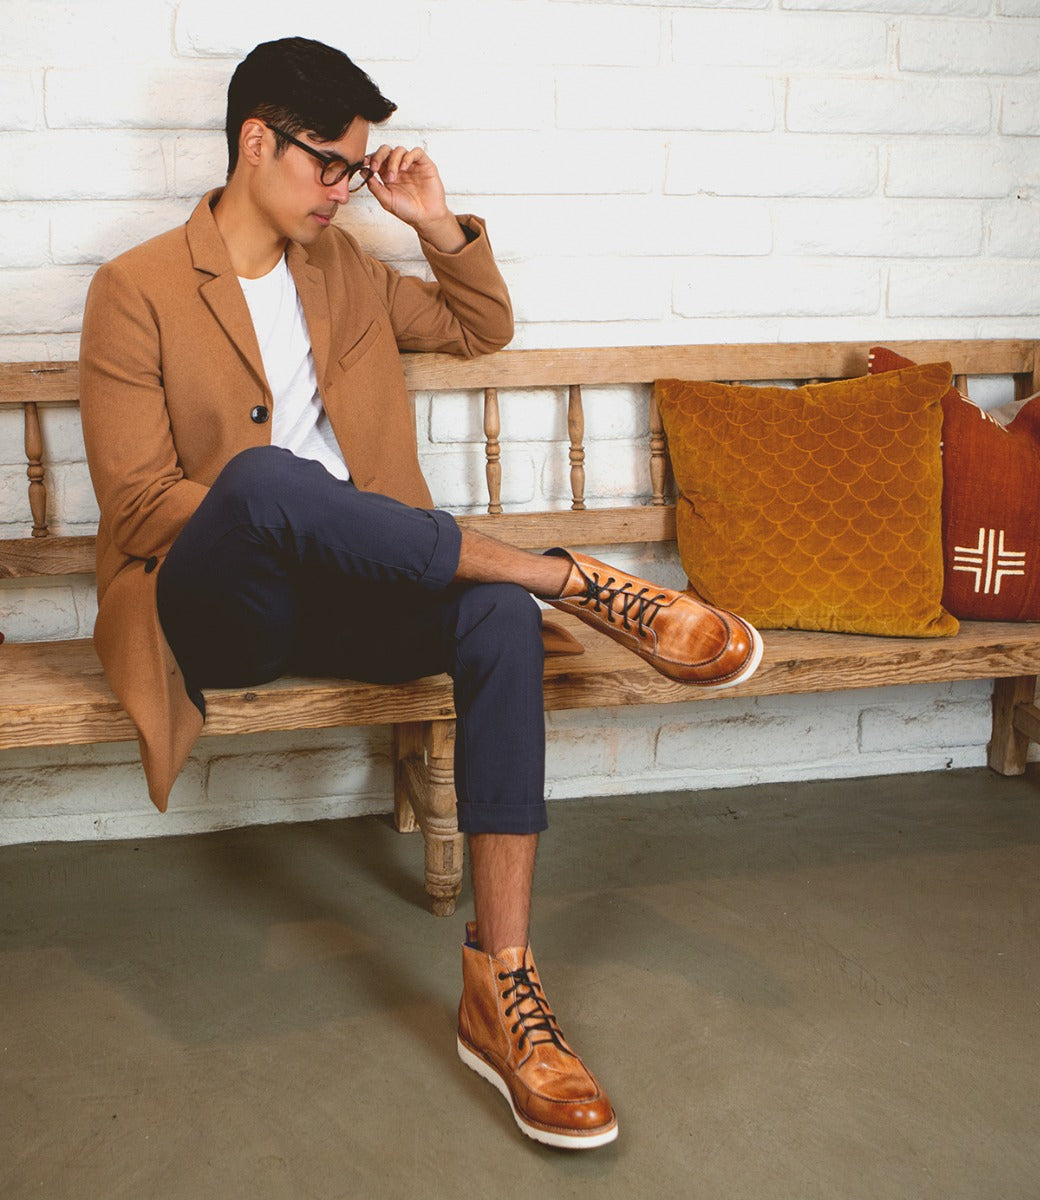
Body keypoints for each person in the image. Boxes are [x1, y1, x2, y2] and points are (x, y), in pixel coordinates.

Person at [78, 37, 762, 1150]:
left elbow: (478, 327)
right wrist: (288, 511)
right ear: (257, 141)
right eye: (330, 164)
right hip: (218, 608)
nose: (346, 186)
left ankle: (502, 993)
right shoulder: (138, 287)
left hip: (362, 582)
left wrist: (433, 223)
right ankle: (574, 582)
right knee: (264, 482)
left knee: (492, 617)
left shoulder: (345, 269)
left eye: (357, 166)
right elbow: (142, 505)